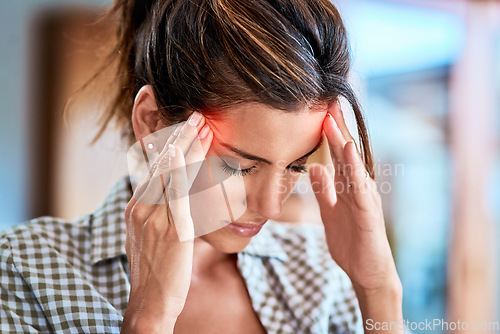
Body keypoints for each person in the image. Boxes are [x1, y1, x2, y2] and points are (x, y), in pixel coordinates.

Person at [0, 0, 408, 333]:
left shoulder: (320, 277)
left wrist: (379, 290)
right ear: (151, 122)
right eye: (241, 166)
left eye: (294, 167)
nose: (271, 208)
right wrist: (149, 319)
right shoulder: (24, 270)